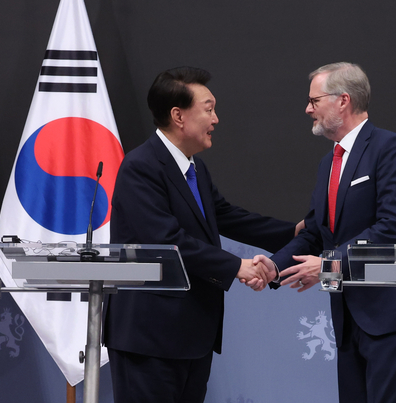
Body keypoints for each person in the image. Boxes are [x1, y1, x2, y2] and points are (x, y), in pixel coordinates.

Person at [103, 66, 300, 403]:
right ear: (178, 116)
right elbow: (166, 239)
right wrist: (236, 266)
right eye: (208, 109)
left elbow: (224, 215)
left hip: (192, 335)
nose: (216, 119)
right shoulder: (141, 167)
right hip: (150, 337)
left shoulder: (194, 166)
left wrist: (292, 233)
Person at [255, 62, 396, 403]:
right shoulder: (328, 163)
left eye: (314, 100)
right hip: (348, 316)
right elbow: (317, 231)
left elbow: (391, 226)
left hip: (388, 314)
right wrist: (274, 266)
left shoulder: (388, 147)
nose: (308, 109)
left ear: (343, 101)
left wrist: (327, 264)